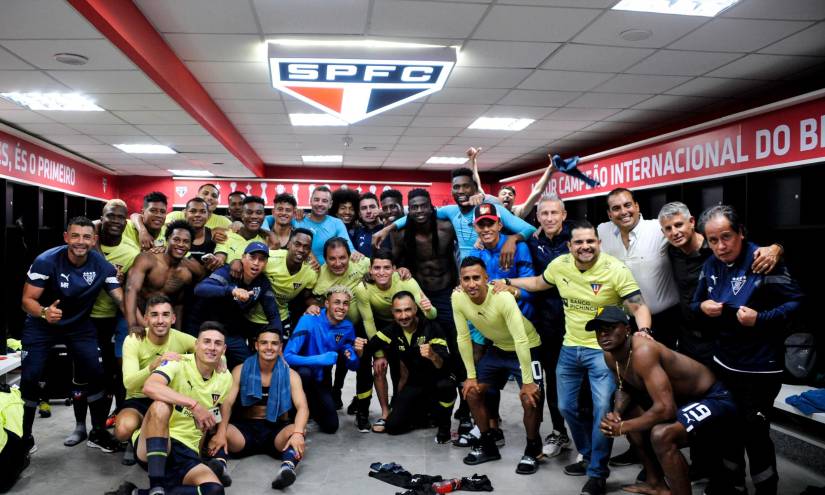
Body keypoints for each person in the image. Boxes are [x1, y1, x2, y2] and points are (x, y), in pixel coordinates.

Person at [501, 220, 652, 495]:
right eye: (579, 242)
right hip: (569, 348)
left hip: (603, 353)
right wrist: (507, 281)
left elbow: (638, 305)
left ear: (599, 243)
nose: (585, 247)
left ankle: (597, 473)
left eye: (590, 241)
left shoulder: (615, 269)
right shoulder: (560, 266)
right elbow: (537, 283)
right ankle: (587, 454)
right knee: (565, 407)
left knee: (600, 410)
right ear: (569, 246)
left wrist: (643, 332)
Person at [691, 205, 803, 495]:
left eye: (726, 236)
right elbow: (695, 304)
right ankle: (733, 485)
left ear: (741, 232)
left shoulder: (763, 259)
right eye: (713, 240)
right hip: (724, 362)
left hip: (761, 366)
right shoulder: (710, 265)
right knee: (727, 427)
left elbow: (797, 305)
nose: (720, 246)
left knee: (754, 432)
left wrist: (760, 319)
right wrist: (702, 307)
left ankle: (767, 490)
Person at [591, 306, 737, 495]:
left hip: (714, 397)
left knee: (661, 435)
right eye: (599, 330)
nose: (603, 334)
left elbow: (666, 409)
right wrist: (617, 415)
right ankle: (655, 483)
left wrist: (623, 427)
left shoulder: (643, 351)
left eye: (610, 328)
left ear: (627, 329)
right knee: (629, 413)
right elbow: (624, 389)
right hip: (682, 401)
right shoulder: (609, 355)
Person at [20, 216, 125, 454]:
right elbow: (27, 301)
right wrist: (44, 311)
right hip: (42, 324)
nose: (80, 241)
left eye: (87, 237)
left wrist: (139, 319)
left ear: (94, 240)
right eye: (75, 236)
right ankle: (24, 437)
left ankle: (97, 433)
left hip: (78, 325)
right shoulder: (46, 261)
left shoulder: (102, 265)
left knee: (97, 374)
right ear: (66, 237)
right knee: (30, 377)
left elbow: (119, 297)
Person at [114, 322, 232, 495]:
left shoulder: (225, 378)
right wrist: (194, 405)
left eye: (217, 343)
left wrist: (209, 433)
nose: (212, 347)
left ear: (224, 349)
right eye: (206, 341)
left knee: (214, 491)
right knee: (160, 405)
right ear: (196, 344)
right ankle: (156, 486)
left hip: (187, 449)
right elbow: (150, 387)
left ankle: (137, 493)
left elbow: (211, 417)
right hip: (157, 440)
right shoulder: (177, 362)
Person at [658, 201, 782, 365]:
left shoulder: (718, 246)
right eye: (668, 228)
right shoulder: (671, 251)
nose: (675, 232)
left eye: (678, 224)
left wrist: (776, 248)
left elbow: (756, 247)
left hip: (722, 336)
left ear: (692, 222)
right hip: (688, 337)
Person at [452, 257, 543, 474]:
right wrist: (471, 376)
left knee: (530, 398)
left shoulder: (502, 297)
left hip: (527, 347)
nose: (472, 284)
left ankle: (532, 448)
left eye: (476, 278)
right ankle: (488, 443)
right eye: (466, 279)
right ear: (460, 281)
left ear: (487, 279)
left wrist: (528, 381)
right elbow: (463, 338)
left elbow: (521, 339)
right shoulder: (457, 298)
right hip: (498, 348)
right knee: (471, 391)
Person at [397, 188, 469, 432]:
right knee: (423, 352)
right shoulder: (402, 235)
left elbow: (461, 255)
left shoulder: (446, 229)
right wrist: (401, 269)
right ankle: (427, 406)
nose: (418, 211)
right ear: (409, 209)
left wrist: (461, 283)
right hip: (421, 298)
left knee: (457, 350)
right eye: (413, 207)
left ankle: (466, 408)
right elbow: (396, 263)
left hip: (447, 295)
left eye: (422, 206)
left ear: (431, 207)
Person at [71, 199, 139, 447]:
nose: (116, 221)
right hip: (84, 320)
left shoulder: (130, 253)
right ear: (102, 217)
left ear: (126, 221)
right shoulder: (85, 244)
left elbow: (132, 291)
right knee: (82, 376)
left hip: (112, 320)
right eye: (111, 216)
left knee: (113, 378)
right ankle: (80, 426)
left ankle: (105, 427)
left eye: (121, 217)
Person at [207, 328, 309, 490]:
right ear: (256, 345)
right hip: (245, 430)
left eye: (274, 343)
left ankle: (286, 469)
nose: (269, 347)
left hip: (276, 430)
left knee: (299, 431)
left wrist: (297, 433)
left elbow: (302, 407)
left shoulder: (291, 375)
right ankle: (220, 467)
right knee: (219, 428)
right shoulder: (240, 370)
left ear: (280, 347)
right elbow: (226, 403)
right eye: (264, 343)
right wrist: (219, 433)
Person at [374, 167, 536, 268]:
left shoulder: (491, 209)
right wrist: (387, 229)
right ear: (452, 190)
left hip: (492, 270)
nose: (461, 191)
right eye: (456, 187)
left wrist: (512, 239)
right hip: (463, 276)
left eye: (466, 186)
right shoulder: (451, 211)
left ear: (474, 188)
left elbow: (529, 228)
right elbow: (417, 214)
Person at [354, 249, 437, 433]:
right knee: (379, 367)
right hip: (378, 328)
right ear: (370, 269)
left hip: (402, 325)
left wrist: (429, 309)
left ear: (394, 269)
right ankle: (384, 412)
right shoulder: (363, 289)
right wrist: (378, 354)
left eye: (386, 267)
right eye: (377, 268)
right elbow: (368, 322)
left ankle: (401, 407)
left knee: (403, 371)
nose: (381, 272)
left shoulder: (405, 281)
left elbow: (431, 314)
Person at [365, 291, 456, 443]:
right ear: (392, 312)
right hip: (414, 383)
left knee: (446, 385)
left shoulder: (432, 327)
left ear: (415, 309)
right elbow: (370, 346)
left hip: (438, 380)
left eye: (407, 309)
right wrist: (359, 348)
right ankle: (424, 416)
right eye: (398, 311)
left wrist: (433, 355)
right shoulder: (391, 330)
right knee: (393, 427)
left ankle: (444, 427)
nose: (403, 316)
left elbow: (444, 365)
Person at [116, 295, 196, 465]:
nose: (160, 320)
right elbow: (129, 383)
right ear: (146, 319)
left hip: (166, 398)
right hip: (138, 399)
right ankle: (135, 438)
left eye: (165, 314)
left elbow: (210, 351)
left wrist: (221, 361)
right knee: (122, 430)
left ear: (173, 318)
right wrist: (152, 366)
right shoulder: (134, 339)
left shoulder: (181, 337)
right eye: (154, 315)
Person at [283, 286, 365, 434]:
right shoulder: (309, 320)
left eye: (345, 303)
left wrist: (357, 354)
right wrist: (321, 359)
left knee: (331, 426)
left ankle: (309, 407)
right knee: (305, 373)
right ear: (327, 304)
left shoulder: (347, 327)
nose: (341, 307)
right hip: (300, 377)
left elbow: (353, 366)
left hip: (322, 378)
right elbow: (288, 356)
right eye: (337, 302)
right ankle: (293, 412)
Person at [525, 195, 571, 458]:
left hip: (576, 323)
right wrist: (513, 238)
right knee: (550, 381)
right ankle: (558, 432)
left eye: (555, 213)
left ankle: (588, 442)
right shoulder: (533, 241)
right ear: (538, 217)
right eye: (544, 214)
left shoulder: (576, 239)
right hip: (545, 324)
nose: (550, 218)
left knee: (580, 385)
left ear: (563, 215)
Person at [191, 242, 281, 367]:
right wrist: (231, 290)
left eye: (261, 260)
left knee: (249, 365)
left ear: (265, 263)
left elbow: (274, 315)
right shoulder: (228, 271)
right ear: (243, 257)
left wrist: (277, 343)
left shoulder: (263, 283)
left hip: (230, 333)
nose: (256, 263)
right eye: (252, 257)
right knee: (201, 365)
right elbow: (200, 289)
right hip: (204, 328)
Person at [310, 237, 371, 408]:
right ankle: (330, 395)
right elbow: (310, 297)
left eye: (342, 257)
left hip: (359, 325)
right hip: (332, 327)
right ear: (325, 259)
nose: (338, 263)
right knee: (329, 362)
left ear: (350, 256)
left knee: (358, 362)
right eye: (332, 258)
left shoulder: (362, 263)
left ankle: (357, 402)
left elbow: (384, 270)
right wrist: (313, 305)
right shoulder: (319, 276)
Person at [125, 220, 204, 336]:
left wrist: (177, 333)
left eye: (186, 241)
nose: (181, 244)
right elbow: (130, 291)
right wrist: (133, 325)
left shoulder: (186, 273)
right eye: (176, 239)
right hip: (134, 313)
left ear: (190, 245)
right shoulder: (147, 259)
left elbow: (179, 303)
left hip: (161, 321)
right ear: (167, 240)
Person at [254, 229, 318, 337]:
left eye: (306, 247)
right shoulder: (269, 258)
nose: (301, 250)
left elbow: (305, 297)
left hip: (281, 316)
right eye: (297, 244)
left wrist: (314, 305)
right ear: (288, 244)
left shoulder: (311, 273)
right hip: (254, 315)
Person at [469, 147, 556, 219]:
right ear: (497, 198)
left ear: (514, 199)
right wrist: (473, 161)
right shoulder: (491, 208)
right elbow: (477, 186)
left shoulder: (518, 212)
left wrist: (549, 171)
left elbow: (537, 191)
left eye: (510, 194)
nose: (507, 196)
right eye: (504, 194)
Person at [294, 186, 361, 265]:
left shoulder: (337, 223)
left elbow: (348, 245)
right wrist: (293, 211)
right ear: (310, 201)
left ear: (330, 204)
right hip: (303, 273)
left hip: (330, 273)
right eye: (316, 200)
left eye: (324, 201)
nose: (320, 204)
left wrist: (354, 253)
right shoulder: (298, 220)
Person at [213, 195, 270, 266]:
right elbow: (220, 256)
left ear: (264, 216)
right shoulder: (226, 236)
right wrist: (218, 261)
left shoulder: (264, 243)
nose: (254, 216)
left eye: (258, 213)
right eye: (249, 212)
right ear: (242, 215)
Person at [183, 197, 218, 267]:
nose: (197, 215)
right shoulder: (176, 235)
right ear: (185, 214)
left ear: (208, 215)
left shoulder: (215, 235)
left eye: (203, 212)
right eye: (193, 211)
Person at [354, 192, 390, 258]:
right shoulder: (356, 233)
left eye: (372, 207)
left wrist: (385, 214)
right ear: (359, 213)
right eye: (364, 208)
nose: (368, 211)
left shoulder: (389, 228)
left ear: (379, 209)